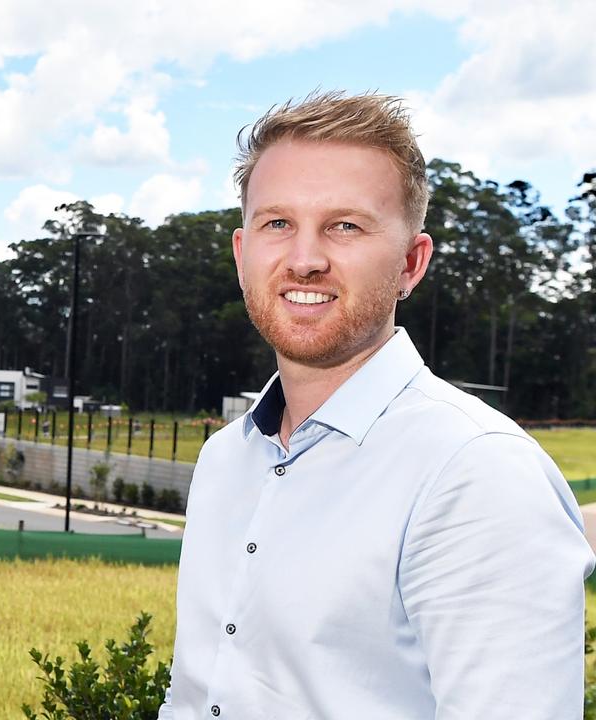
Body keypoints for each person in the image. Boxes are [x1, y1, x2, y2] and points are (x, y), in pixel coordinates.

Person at [160, 91, 594, 719]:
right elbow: (194, 697)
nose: (305, 260)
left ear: (411, 265)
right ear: (241, 253)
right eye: (277, 223)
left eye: (345, 226)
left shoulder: (476, 474)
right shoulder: (226, 458)